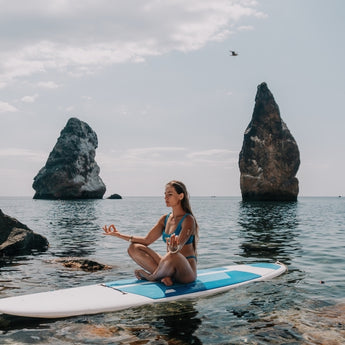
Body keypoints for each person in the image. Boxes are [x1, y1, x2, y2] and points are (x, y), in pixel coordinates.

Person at [103, 180, 198, 286]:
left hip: (185, 271)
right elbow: (146, 240)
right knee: (134, 248)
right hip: (168, 265)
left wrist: (174, 248)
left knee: (173, 255)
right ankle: (164, 276)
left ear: (181, 196)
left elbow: (178, 246)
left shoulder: (188, 219)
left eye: (170, 194)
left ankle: (151, 277)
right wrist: (119, 235)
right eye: (165, 194)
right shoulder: (165, 219)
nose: (166, 197)